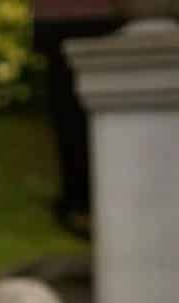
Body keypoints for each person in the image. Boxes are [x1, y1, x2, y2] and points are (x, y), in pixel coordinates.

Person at [32, 0, 122, 237]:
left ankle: (85, 203)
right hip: (78, 21)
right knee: (74, 118)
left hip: (70, 21)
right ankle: (86, 203)